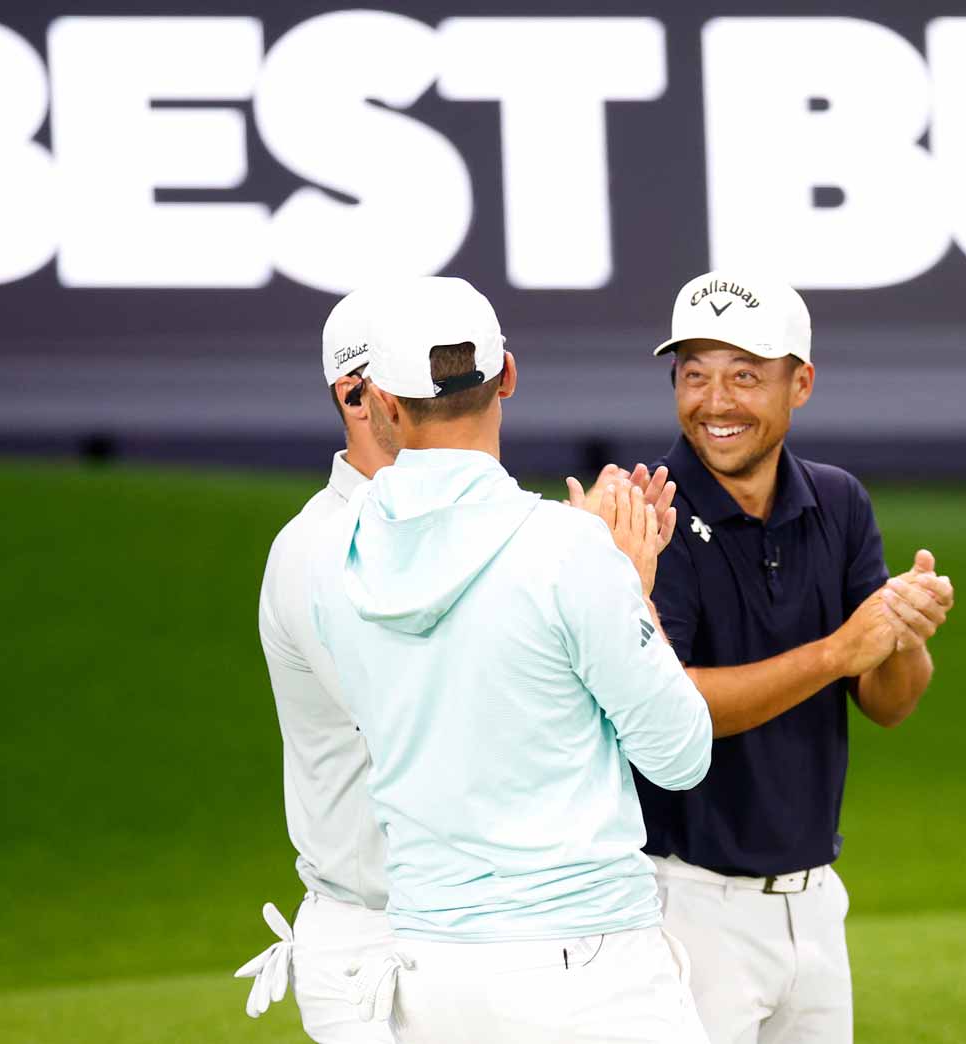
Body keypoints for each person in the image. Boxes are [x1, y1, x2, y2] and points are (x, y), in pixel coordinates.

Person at [309, 275, 715, 1043]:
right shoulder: (570, 552)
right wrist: (632, 588)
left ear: (386, 404)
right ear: (508, 375)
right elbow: (681, 754)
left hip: (431, 973)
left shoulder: (335, 557)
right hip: (590, 972)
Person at [637, 270, 955, 1044]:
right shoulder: (650, 510)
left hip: (815, 901)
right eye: (694, 375)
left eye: (745, 376)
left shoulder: (838, 502)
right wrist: (837, 651)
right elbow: (671, 708)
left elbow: (888, 702)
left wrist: (903, 631)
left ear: (800, 383)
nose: (715, 403)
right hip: (685, 904)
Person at [236, 286, 401, 1041]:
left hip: (484, 935)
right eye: (425, 378)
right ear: (355, 394)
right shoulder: (314, 550)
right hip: (376, 948)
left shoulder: (489, 529)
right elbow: (421, 718)